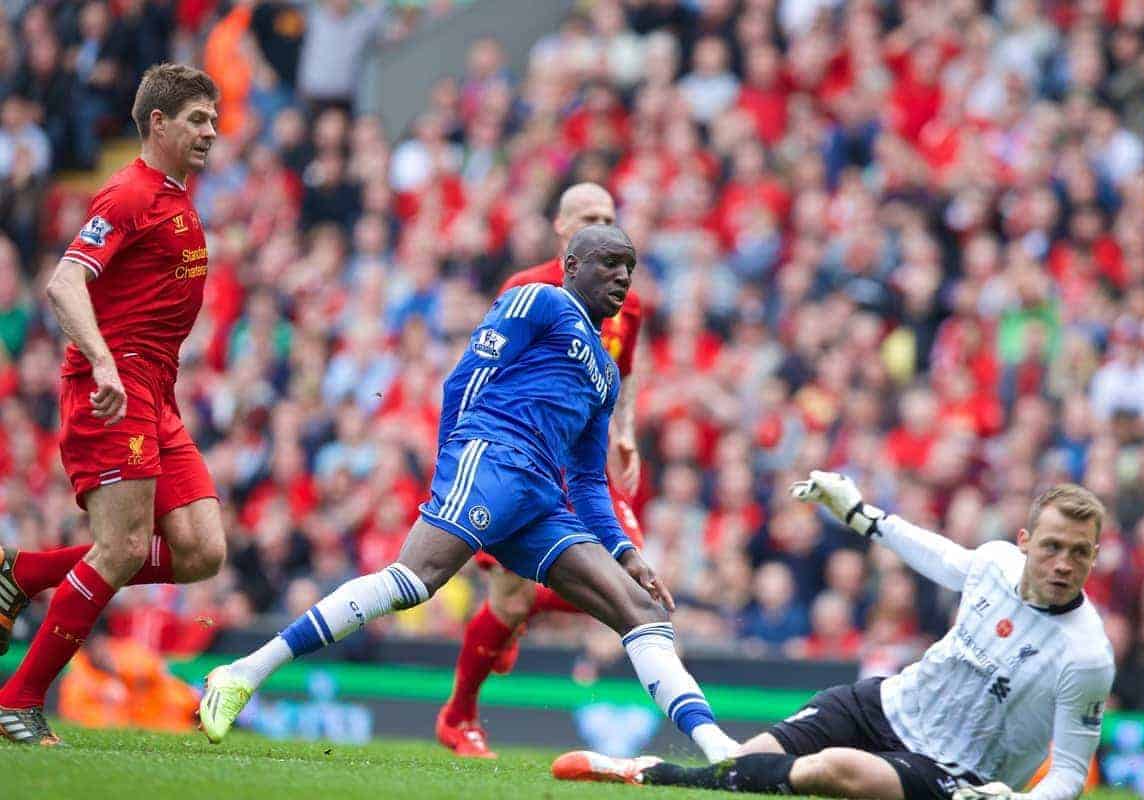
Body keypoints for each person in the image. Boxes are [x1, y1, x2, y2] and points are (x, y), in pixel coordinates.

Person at [199, 224, 740, 764]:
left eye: (630, 265)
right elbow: (465, 379)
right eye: (609, 262)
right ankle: (243, 674)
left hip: (541, 499)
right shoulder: (542, 301)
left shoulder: (605, 373)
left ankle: (717, 749)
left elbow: (589, 482)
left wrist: (626, 552)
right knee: (413, 582)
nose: (622, 275)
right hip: (493, 457)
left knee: (643, 610)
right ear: (571, 265)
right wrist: (454, 466)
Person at [553, 474, 1115, 800]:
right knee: (744, 765)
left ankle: (650, 772)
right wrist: (863, 516)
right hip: (889, 703)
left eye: (1079, 552)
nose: (1064, 563)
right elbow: (941, 556)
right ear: (1024, 541)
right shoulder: (994, 561)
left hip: (958, 775)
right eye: (1052, 546)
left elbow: (1068, 771)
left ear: (1094, 555)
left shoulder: (1087, 656)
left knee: (835, 768)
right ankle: (647, 771)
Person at [0, 64, 225, 747]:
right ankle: (17, 700)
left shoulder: (174, 196)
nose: (211, 132)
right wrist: (101, 359)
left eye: (214, 119)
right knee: (123, 547)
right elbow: (65, 282)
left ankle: (27, 571)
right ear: (157, 123)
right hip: (113, 390)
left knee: (201, 551)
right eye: (196, 119)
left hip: (156, 393)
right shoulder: (128, 195)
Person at [436, 181, 647, 758]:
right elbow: (484, 372)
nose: (604, 222)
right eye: (590, 216)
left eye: (610, 214)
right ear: (562, 230)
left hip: (580, 463)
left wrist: (624, 434)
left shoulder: (627, 300)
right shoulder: (526, 290)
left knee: (628, 576)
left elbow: (623, 376)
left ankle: (515, 616)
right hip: (515, 461)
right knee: (507, 601)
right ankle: (458, 717)